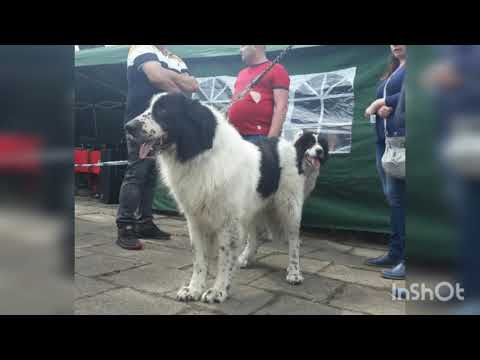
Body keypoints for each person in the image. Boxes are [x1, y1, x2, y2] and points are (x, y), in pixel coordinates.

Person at [116, 45, 199, 250]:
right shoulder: (141, 47)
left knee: (151, 176)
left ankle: (145, 222)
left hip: (162, 127)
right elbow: (155, 76)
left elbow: (193, 85)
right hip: (141, 123)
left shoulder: (175, 57)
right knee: (137, 173)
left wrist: (166, 73)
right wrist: (178, 93)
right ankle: (125, 225)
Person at [364, 45, 407, 280]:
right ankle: (396, 252)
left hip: (405, 140)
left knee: (405, 199)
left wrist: (381, 103)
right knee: (394, 198)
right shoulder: (394, 69)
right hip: (386, 141)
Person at [228, 45, 290, 142]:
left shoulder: (277, 69)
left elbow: (281, 107)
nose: (240, 50)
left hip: (259, 136)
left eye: (243, 46)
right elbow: (233, 103)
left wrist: (271, 142)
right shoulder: (241, 73)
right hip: (234, 136)